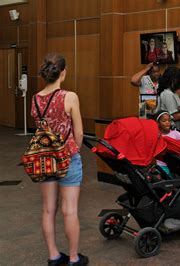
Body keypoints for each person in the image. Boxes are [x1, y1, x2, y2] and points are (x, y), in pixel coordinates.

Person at [32, 53, 88, 265]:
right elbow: (79, 133)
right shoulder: (70, 97)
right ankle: (74, 258)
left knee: (48, 209)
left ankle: (54, 256)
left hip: (44, 160)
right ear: (62, 72)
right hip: (68, 157)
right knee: (69, 210)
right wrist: (73, 150)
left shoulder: (35, 98)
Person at [155, 111, 180, 176]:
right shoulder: (157, 136)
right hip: (160, 163)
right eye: (164, 121)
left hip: (174, 163)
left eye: (169, 120)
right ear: (158, 123)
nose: (167, 123)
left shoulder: (176, 134)